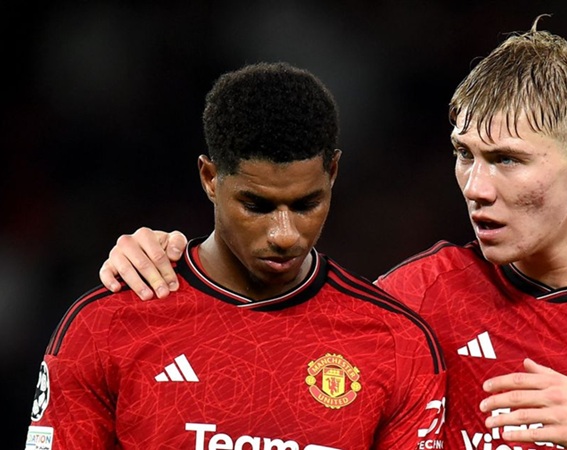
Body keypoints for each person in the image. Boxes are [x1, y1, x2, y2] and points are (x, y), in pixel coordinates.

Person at [92, 17, 567, 450]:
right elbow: (266, 335)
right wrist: (175, 261)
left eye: (506, 160)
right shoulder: (417, 296)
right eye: (464, 155)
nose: (476, 187)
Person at [25, 62, 447, 450]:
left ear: (332, 173)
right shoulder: (107, 325)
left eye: (306, 204)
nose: (284, 235)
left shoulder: (396, 343)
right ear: (210, 178)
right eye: (257, 206)